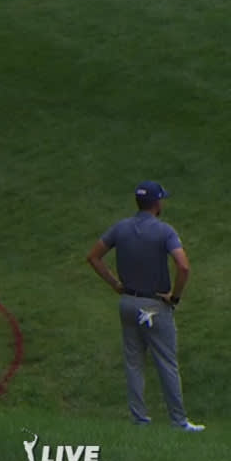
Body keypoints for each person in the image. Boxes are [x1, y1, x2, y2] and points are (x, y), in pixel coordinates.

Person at [84, 181, 203, 431]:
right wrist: (175, 296)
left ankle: (139, 419)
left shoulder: (121, 228)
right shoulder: (165, 231)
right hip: (155, 305)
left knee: (134, 362)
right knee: (166, 362)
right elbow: (183, 266)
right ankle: (178, 421)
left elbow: (93, 257)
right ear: (157, 204)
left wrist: (115, 284)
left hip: (127, 302)